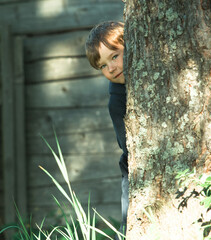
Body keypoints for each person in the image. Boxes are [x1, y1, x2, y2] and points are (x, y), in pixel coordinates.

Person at [85, 21, 128, 240]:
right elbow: (128, 146)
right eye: (102, 65)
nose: (110, 68)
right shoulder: (117, 102)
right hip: (133, 172)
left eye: (114, 56)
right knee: (129, 225)